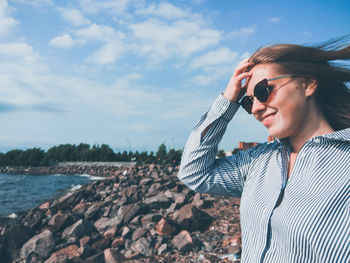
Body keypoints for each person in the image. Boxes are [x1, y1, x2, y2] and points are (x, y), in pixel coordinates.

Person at [178, 39, 350, 263]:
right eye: (247, 103)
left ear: (308, 84)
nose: (256, 108)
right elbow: (193, 172)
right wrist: (228, 100)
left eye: (263, 90)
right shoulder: (259, 161)